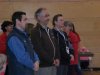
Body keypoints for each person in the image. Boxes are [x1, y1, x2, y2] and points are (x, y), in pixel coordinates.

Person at [31, 8, 60, 75]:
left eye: (48, 15)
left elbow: (56, 45)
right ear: (38, 17)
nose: (48, 18)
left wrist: (57, 58)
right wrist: (51, 60)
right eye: (46, 16)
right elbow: (38, 49)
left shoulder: (50, 30)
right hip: (43, 66)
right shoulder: (35, 31)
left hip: (53, 64)